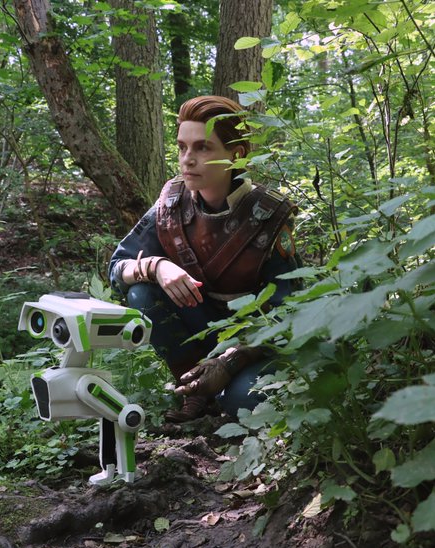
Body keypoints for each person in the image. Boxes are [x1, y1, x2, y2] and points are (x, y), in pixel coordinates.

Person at [109, 95, 299, 422]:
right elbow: (116, 269)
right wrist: (156, 266)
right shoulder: (170, 204)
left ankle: (225, 389)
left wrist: (230, 360)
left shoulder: (267, 215)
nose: (187, 159)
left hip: (253, 342)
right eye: (182, 147)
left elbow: (288, 311)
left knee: (243, 403)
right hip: (199, 325)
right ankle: (193, 388)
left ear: (236, 154)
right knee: (142, 292)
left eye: (203, 148)